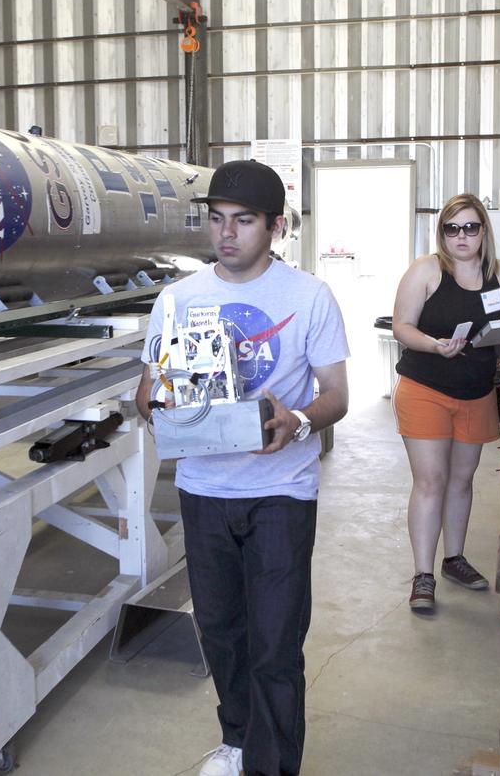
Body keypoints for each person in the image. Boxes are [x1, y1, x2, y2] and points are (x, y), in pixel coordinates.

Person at [136, 160, 349, 776]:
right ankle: (236, 740)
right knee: (222, 633)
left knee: (275, 643)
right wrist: (159, 405)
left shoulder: (309, 296)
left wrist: (297, 421)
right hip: (204, 489)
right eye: (217, 219)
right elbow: (146, 392)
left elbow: (336, 395)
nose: (226, 234)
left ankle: (272, 766)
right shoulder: (178, 300)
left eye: (244, 221)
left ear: (275, 226)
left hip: (282, 490)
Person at [390, 193, 500, 613]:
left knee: (461, 481)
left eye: (470, 227)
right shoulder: (426, 271)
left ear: (483, 231)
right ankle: (423, 575)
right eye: (452, 228)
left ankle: (453, 559)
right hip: (425, 389)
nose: (461, 236)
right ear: (442, 232)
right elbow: (401, 326)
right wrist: (434, 345)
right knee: (431, 481)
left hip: (476, 392)